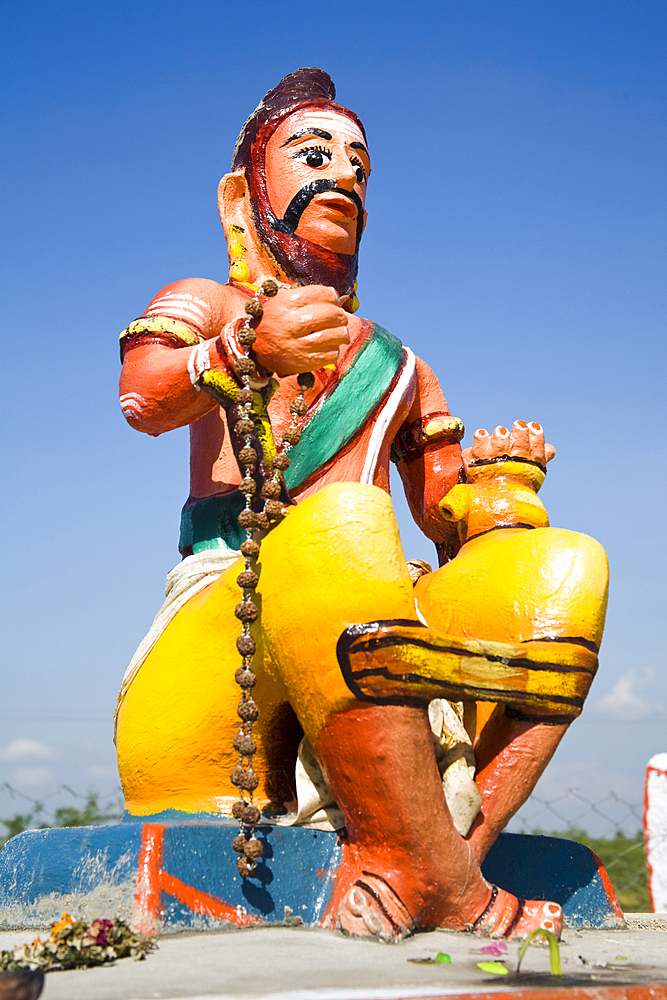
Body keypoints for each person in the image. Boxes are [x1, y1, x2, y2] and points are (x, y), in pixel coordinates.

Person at [115, 69, 608, 940]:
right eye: (312, 155)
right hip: (221, 640)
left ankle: (427, 859)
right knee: (344, 522)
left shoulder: (401, 366)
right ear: (244, 196)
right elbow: (143, 397)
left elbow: (452, 519)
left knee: (561, 566)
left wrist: (506, 486)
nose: (340, 175)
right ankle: (447, 888)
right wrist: (242, 347)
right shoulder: (208, 304)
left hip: (369, 603)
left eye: (358, 164)